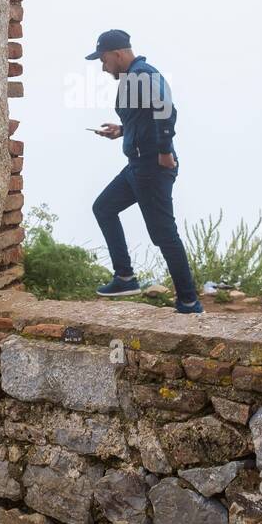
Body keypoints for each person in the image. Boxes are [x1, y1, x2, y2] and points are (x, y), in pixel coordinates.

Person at [86, 29, 203, 314]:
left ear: (117, 54)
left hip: (152, 166)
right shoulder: (134, 77)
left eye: (103, 60)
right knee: (103, 207)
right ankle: (125, 277)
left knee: (163, 234)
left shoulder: (141, 74)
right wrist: (122, 131)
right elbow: (147, 116)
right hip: (138, 166)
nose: (103, 67)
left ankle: (189, 301)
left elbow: (166, 110)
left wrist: (164, 151)